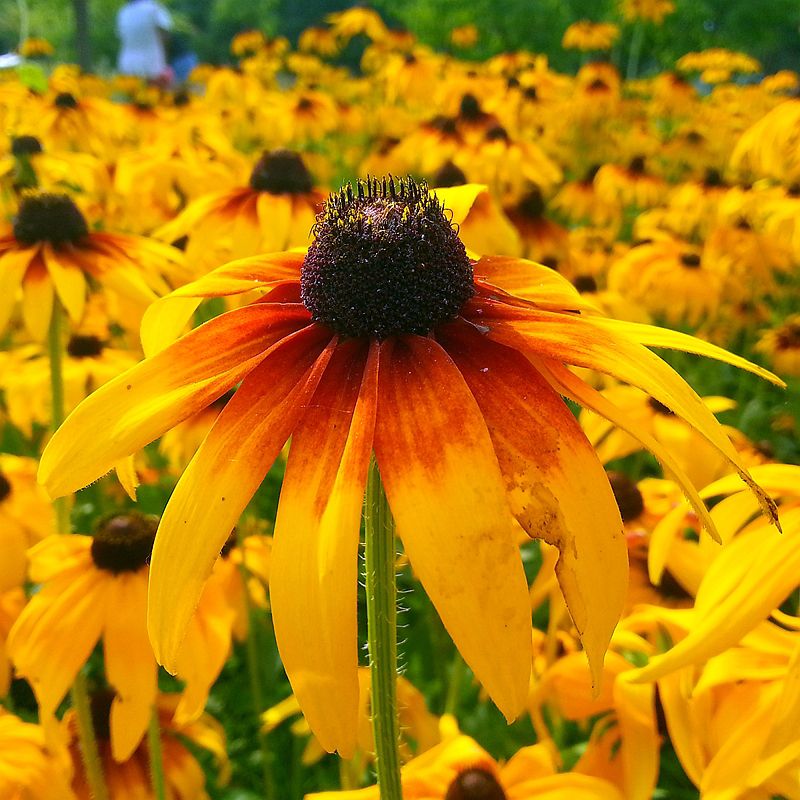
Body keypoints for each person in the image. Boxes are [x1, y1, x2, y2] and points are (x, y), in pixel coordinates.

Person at [116, 0, 174, 84]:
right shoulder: (154, 9)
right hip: (153, 65)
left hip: (127, 66)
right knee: (154, 96)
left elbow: (122, 37)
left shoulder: (123, 12)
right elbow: (165, 35)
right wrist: (165, 64)